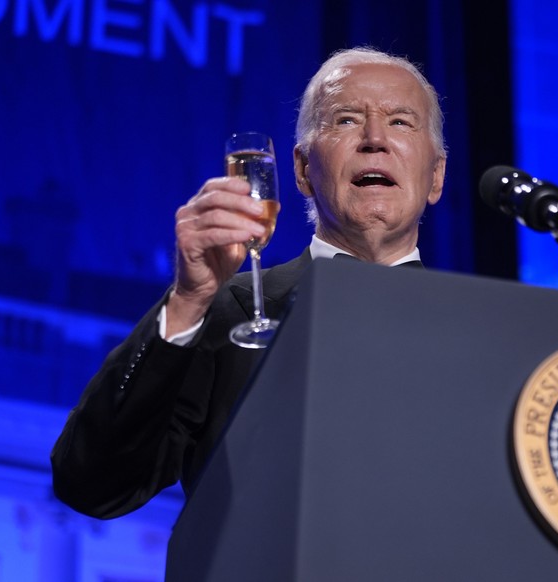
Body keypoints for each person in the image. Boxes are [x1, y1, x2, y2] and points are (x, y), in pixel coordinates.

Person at [51, 47, 447, 519]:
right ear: (302, 170)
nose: (375, 139)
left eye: (401, 122)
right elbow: (92, 481)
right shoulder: (227, 313)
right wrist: (186, 304)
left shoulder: (480, 332)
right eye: (345, 120)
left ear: (436, 175)